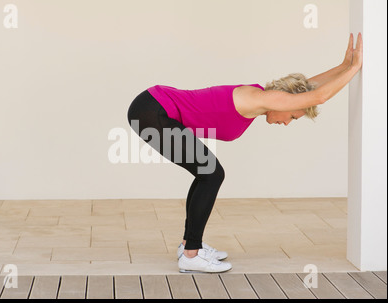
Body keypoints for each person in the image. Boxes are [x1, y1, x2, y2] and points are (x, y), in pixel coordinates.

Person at [127, 33, 363, 273]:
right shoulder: (262, 98)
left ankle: (190, 245)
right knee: (211, 174)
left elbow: (310, 88)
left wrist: (342, 66)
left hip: (153, 107)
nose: (288, 122)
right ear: (285, 101)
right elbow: (319, 96)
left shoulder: (263, 98)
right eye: (292, 115)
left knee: (206, 172)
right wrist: (354, 68)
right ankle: (191, 254)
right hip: (153, 110)